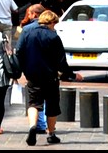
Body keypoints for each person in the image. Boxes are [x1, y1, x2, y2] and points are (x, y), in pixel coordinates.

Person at [16, 10, 69, 147]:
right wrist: (68, 73)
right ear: (50, 22)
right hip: (50, 76)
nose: (54, 27)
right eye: (54, 24)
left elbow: (19, 51)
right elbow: (61, 59)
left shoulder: (28, 33)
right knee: (51, 106)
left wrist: (24, 68)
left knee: (34, 103)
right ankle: (51, 134)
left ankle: (33, 126)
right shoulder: (53, 36)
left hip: (32, 75)